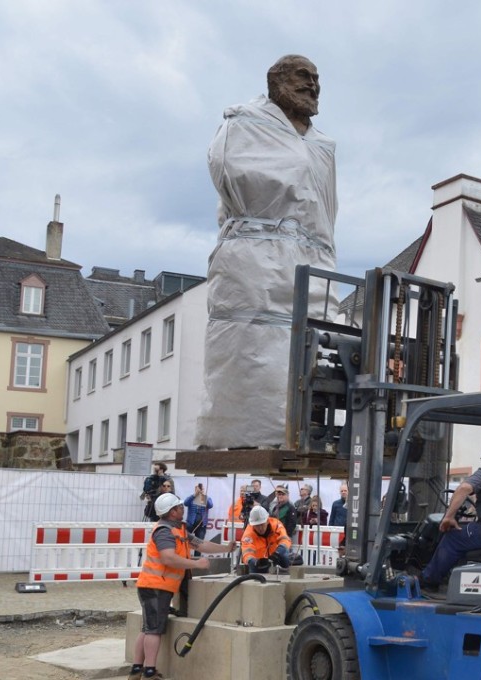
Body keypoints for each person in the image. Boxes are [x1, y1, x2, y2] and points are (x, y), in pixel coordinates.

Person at [198, 54, 339, 450]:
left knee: (310, 344)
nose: (312, 85)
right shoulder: (247, 123)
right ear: (275, 81)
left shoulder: (321, 146)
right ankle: (248, 432)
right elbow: (232, 169)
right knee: (254, 343)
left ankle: (302, 427)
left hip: (311, 258)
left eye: (317, 78)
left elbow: (324, 206)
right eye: (302, 76)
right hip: (255, 257)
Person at [131, 493, 235, 680]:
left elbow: (201, 545)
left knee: (148, 628)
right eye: (179, 506)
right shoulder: (165, 531)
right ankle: (149, 672)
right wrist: (196, 564)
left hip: (156, 585)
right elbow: (168, 558)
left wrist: (225, 549)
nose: (182, 508)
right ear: (172, 512)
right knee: (154, 630)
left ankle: (136, 670)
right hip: (156, 586)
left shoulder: (179, 530)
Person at [420, 437, 481, 588]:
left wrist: (449, 517)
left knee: (453, 537)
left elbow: (464, 488)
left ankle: (428, 580)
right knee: (466, 533)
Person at [241, 505, 292, 573]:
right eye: (257, 525)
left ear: (267, 521)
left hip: (277, 561)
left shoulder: (276, 525)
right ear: (252, 525)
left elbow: (285, 540)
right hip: (259, 565)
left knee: (284, 556)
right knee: (252, 567)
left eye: (262, 524)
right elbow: (247, 553)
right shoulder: (248, 535)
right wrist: (254, 562)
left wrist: (278, 553)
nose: (260, 528)